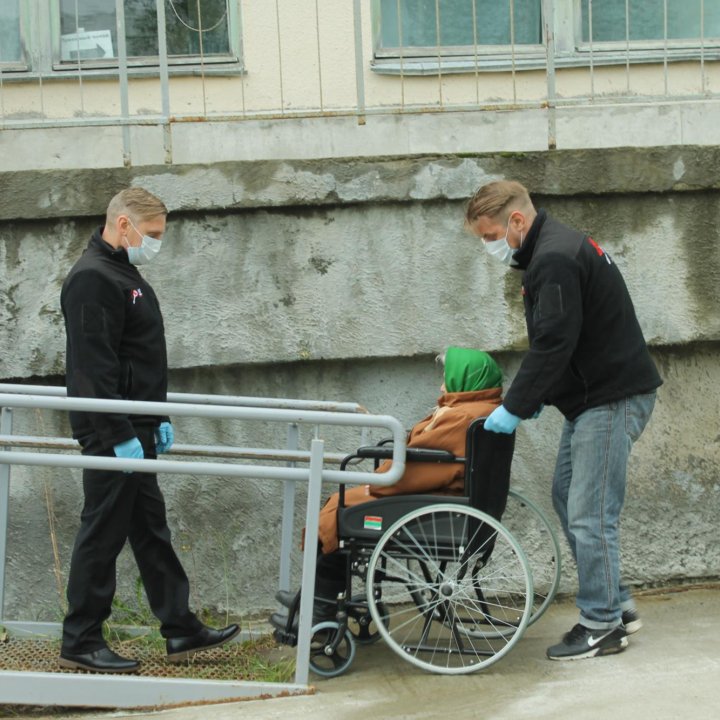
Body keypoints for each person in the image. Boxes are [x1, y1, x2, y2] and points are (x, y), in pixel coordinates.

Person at [465, 180, 662, 661]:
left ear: (516, 221)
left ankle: (601, 625)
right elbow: (569, 338)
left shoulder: (553, 258)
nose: (489, 246)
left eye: (490, 235)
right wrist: (532, 399)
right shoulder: (555, 248)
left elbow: (553, 343)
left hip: (610, 399)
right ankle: (615, 604)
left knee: (590, 514)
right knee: (568, 495)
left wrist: (514, 407)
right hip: (599, 397)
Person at [59, 187, 239, 673]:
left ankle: (180, 628)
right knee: (102, 533)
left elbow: (136, 356)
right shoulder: (93, 279)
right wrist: (118, 434)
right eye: (152, 234)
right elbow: (93, 370)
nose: (155, 243)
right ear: (123, 225)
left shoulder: (121, 271)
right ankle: (80, 638)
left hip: (135, 427)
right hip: (112, 432)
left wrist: (155, 418)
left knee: (149, 531)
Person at [273, 346, 505, 625]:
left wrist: (382, 479)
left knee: (339, 510)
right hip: (446, 498)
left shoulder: (461, 415)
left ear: (466, 377)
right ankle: (314, 597)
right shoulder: (481, 410)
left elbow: (422, 463)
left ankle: (319, 608)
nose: (442, 381)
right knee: (339, 505)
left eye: (447, 374)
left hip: (430, 499)